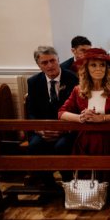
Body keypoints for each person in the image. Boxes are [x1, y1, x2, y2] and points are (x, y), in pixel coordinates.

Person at [59, 48, 110, 155]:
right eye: (93, 65)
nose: (99, 69)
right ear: (86, 68)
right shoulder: (78, 90)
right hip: (86, 137)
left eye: (102, 65)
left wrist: (102, 118)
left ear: (107, 68)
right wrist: (80, 118)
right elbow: (62, 113)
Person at [26, 46, 79, 186]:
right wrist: (39, 130)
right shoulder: (33, 82)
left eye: (52, 61)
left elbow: (77, 109)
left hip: (67, 129)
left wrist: (62, 129)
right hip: (44, 128)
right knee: (34, 146)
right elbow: (31, 111)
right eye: (44, 63)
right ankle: (48, 184)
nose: (49, 65)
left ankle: (68, 183)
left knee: (61, 147)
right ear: (39, 65)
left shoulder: (73, 79)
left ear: (58, 60)